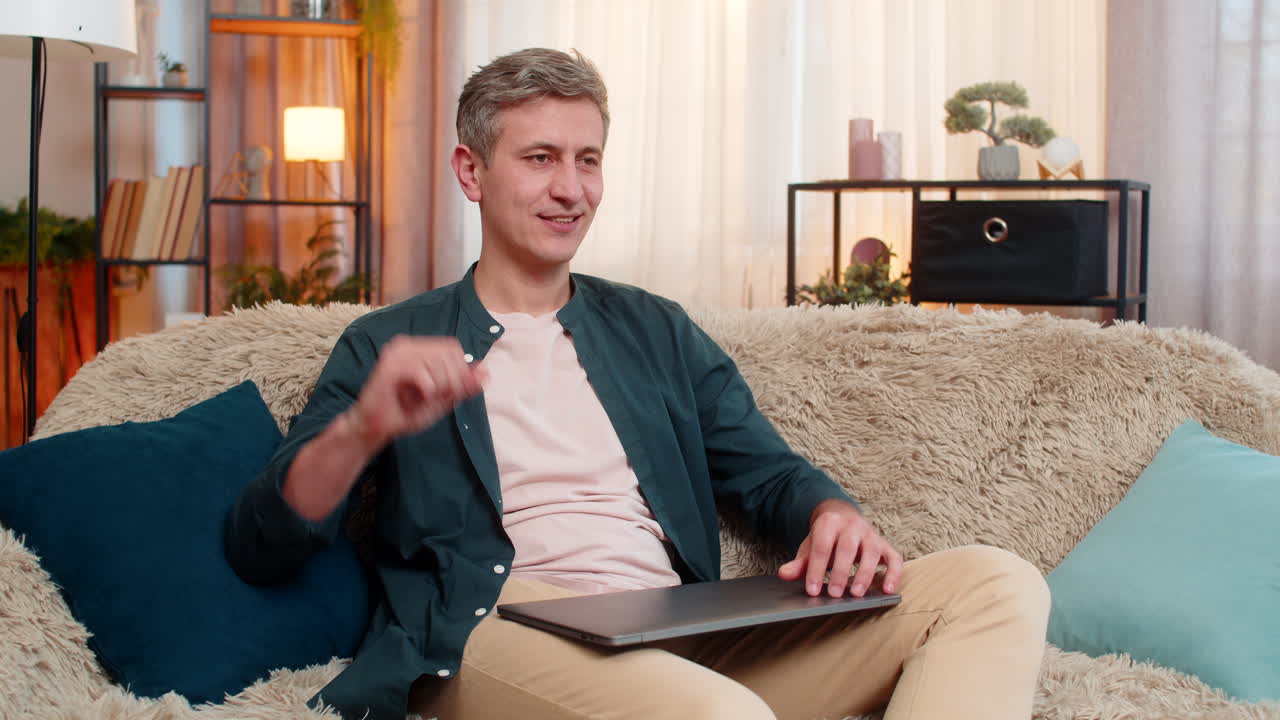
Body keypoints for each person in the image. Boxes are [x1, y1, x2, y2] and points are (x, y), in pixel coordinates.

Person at [226, 48, 1050, 720]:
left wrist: (831, 512)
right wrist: (364, 427)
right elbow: (264, 543)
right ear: (470, 171)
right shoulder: (390, 342)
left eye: (588, 160)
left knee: (993, 583)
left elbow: (767, 475)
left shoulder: (655, 329)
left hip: (671, 634)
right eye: (540, 158)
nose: (571, 189)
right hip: (489, 633)